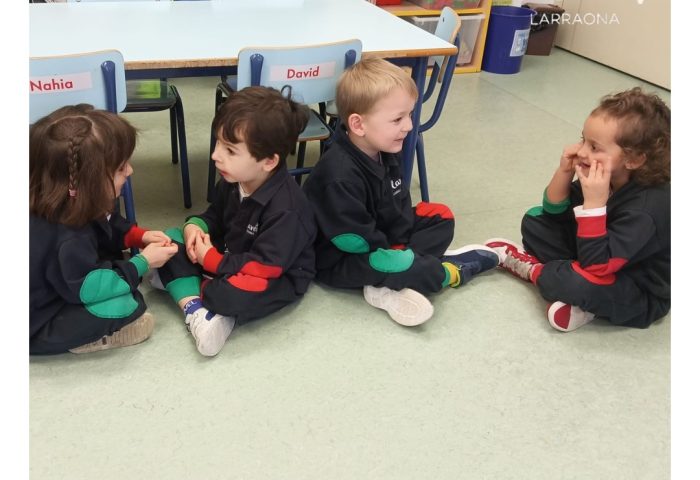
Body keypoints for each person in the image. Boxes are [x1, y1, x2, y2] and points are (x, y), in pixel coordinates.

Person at [302, 57, 498, 327]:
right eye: (397, 119)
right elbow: (353, 240)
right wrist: (396, 256)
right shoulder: (338, 175)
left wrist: (400, 243)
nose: (408, 126)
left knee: (440, 216)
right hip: (340, 259)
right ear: (358, 125)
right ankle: (451, 272)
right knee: (404, 264)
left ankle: (387, 282)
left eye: (409, 115)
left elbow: (399, 203)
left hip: (380, 236)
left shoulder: (383, 148)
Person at [485, 88, 671, 332]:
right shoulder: (608, 176)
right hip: (598, 256)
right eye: (583, 140)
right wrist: (565, 171)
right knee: (535, 221)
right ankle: (583, 304)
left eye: (595, 147)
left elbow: (598, 267)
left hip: (636, 290)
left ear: (634, 159)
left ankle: (535, 271)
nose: (582, 151)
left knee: (570, 281)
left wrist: (594, 204)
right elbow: (553, 210)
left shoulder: (646, 210)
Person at [153, 86, 316, 356]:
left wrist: (212, 261)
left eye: (230, 150)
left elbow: (267, 265)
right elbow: (215, 216)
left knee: (230, 295)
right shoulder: (234, 179)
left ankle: (186, 289)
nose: (216, 155)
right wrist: (196, 227)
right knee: (168, 239)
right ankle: (197, 309)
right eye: (218, 143)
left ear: (268, 161)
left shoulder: (287, 209)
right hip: (230, 255)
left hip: (275, 274)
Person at [30, 104, 178, 355]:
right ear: (89, 182)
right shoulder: (69, 237)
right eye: (121, 168)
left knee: (119, 276)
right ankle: (84, 340)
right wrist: (143, 263)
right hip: (38, 323)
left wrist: (138, 236)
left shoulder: (64, 198)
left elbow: (105, 220)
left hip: (57, 287)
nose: (130, 170)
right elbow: (90, 288)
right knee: (129, 305)